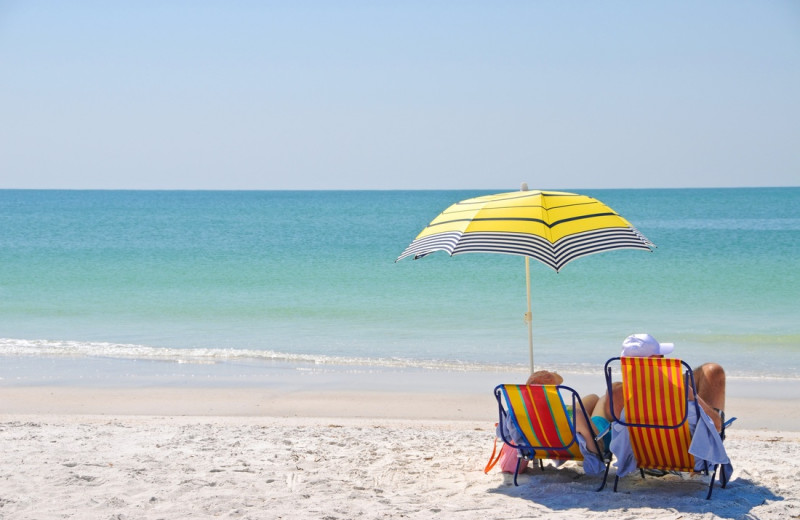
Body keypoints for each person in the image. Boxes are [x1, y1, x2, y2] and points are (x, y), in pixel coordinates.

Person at [608, 333, 732, 478]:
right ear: (656, 362)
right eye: (661, 356)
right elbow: (717, 426)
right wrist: (694, 397)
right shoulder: (684, 406)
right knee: (715, 414)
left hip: (644, 459)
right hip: (691, 463)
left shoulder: (625, 403)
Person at [496, 370, 612, 477]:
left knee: (592, 398)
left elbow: (503, 435)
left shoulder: (519, 415)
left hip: (557, 435)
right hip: (592, 433)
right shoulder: (576, 415)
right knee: (602, 400)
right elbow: (598, 448)